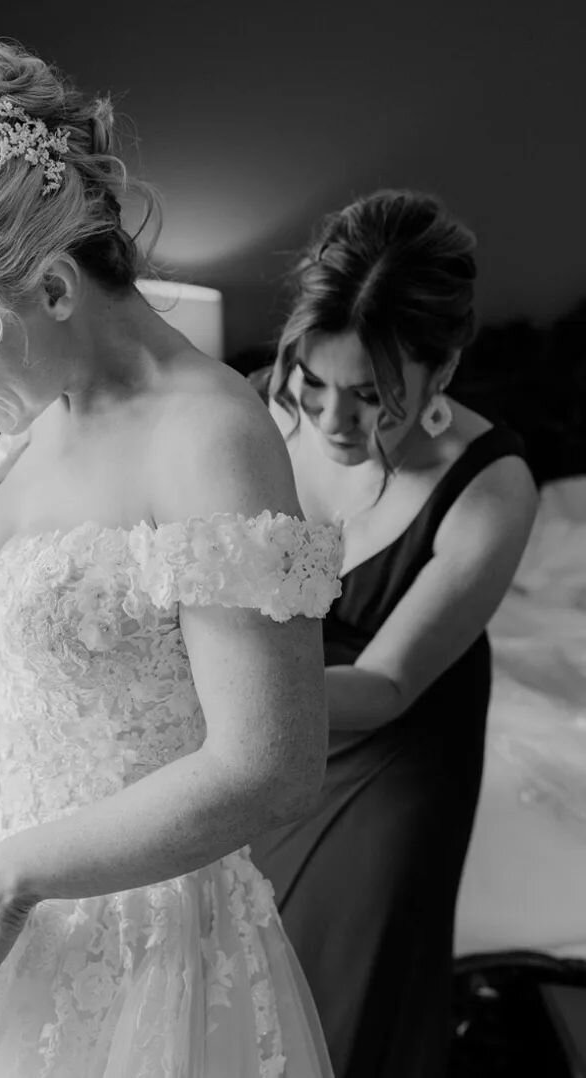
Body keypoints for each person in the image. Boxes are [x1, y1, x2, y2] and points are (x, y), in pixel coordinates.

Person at [0, 42, 344, 1077]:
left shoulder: (209, 440)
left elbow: (268, 765)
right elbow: (28, 590)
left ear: (47, 287)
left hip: (121, 934)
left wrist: (13, 875)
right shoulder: (45, 404)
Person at [249, 190, 538, 1078]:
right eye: (315, 384)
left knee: (342, 999)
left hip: (394, 744)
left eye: (373, 397)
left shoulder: (492, 487)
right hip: (262, 734)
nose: (333, 421)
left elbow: (385, 688)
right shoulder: (264, 424)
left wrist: (222, 689)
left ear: (442, 371)